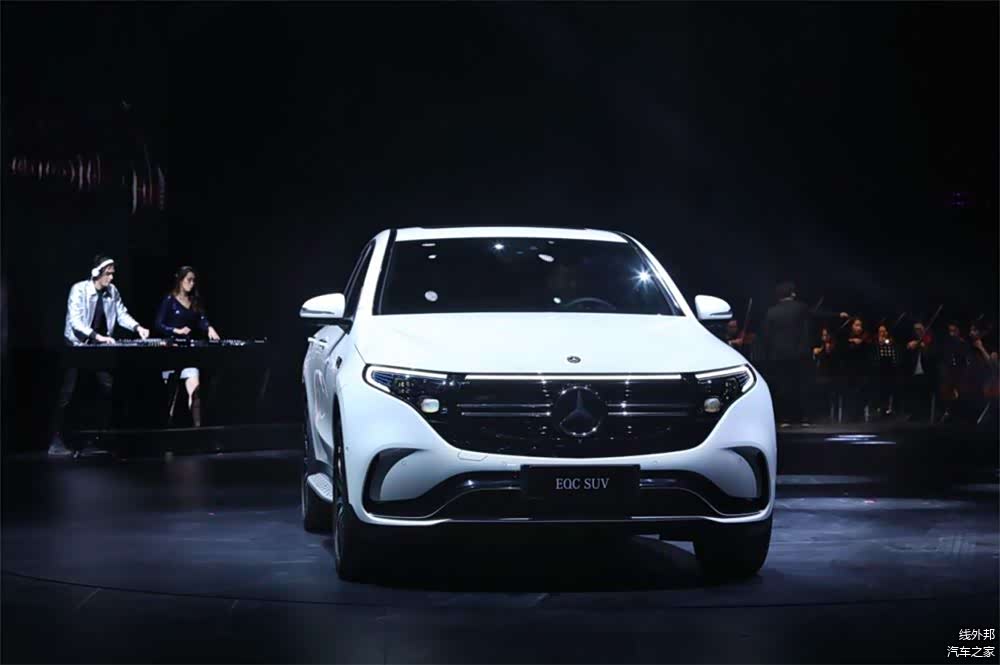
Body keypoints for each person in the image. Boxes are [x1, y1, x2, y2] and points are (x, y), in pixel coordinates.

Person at [49, 255, 150, 456]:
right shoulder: (79, 290)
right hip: (76, 346)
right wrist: (97, 336)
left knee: (107, 388)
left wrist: (137, 327)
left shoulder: (112, 291)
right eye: (108, 274)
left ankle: (97, 438)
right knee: (68, 393)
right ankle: (57, 441)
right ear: (96, 273)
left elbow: (121, 313)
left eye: (113, 274)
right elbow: (75, 321)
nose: (111, 278)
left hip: (98, 347)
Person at [758, 281, 848, 426]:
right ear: (792, 293)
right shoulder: (800, 307)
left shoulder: (771, 312)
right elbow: (818, 315)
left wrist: (768, 354)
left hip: (779, 355)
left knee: (784, 387)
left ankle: (785, 419)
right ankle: (804, 418)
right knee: (802, 386)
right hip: (799, 353)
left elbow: (765, 336)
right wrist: (838, 315)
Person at [154, 266, 220, 427]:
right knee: (171, 395)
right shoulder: (170, 299)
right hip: (171, 350)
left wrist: (209, 328)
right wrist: (176, 330)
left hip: (188, 352)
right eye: (189, 280)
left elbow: (202, 319)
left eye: (194, 280)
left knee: (195, 391)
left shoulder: (194, 301)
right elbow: (159, 324)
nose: (192, 283)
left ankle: (197, 428)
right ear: (180, 280)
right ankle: (167, 428)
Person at [841, 317, 875, 421]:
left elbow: (869, 349)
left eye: (860, 326)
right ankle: (851, 415)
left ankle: (860, 414)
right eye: (856, 325)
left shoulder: (865, 339)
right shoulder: (847, 338)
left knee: (862, 390)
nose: (859, 328)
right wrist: (851, 340)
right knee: (850, 392)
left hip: (862, 370)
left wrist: (861, 342)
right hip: (850, 371)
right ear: (851, 326)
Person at [903, 320, 936, 421]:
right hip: (915, 371)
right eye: (916, 329)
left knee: (924, 394)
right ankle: (915, 414)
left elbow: (932, 357)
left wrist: (924, 346)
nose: (918, 331)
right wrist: (910, 347)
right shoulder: (915, 341)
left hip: (927, 372)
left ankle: (925, 415)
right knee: (914, 394)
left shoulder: (930, 341)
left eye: (920, 329)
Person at [811, 327, 838, 422]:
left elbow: (832, 361)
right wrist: (815, 353)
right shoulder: (820, 345)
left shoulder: (832, 345)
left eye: (826, 335)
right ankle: (820, 416)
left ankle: (831, 417)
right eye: (823, 335)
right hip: (820, 375)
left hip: (830, 375)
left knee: (829, 395)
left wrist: (827, 351)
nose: (824, 337)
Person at [874, 324, 901, 417]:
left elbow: (897, 356)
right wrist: (879, 344)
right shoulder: (875, 343)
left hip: (891, 370)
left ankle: (891, 408)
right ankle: (880, 408)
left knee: (891, 389)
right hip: (879, 371)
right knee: (880, 390)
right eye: (881, 331)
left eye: (884, 331)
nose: (883, 333)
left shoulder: (892, 343)